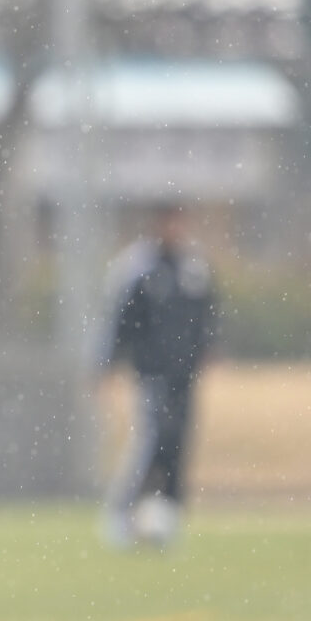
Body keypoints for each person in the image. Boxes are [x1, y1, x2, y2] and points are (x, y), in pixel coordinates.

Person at [100, 202, 217, 549]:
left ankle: (167, 515)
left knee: (178, 442)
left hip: (185, 373)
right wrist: (108, 360)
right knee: (153, 439)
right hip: (152, 371)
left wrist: (207, 346)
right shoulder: (138, 268)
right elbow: (122, 319)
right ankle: (122, 512)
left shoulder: (194, 268)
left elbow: (207, 313)